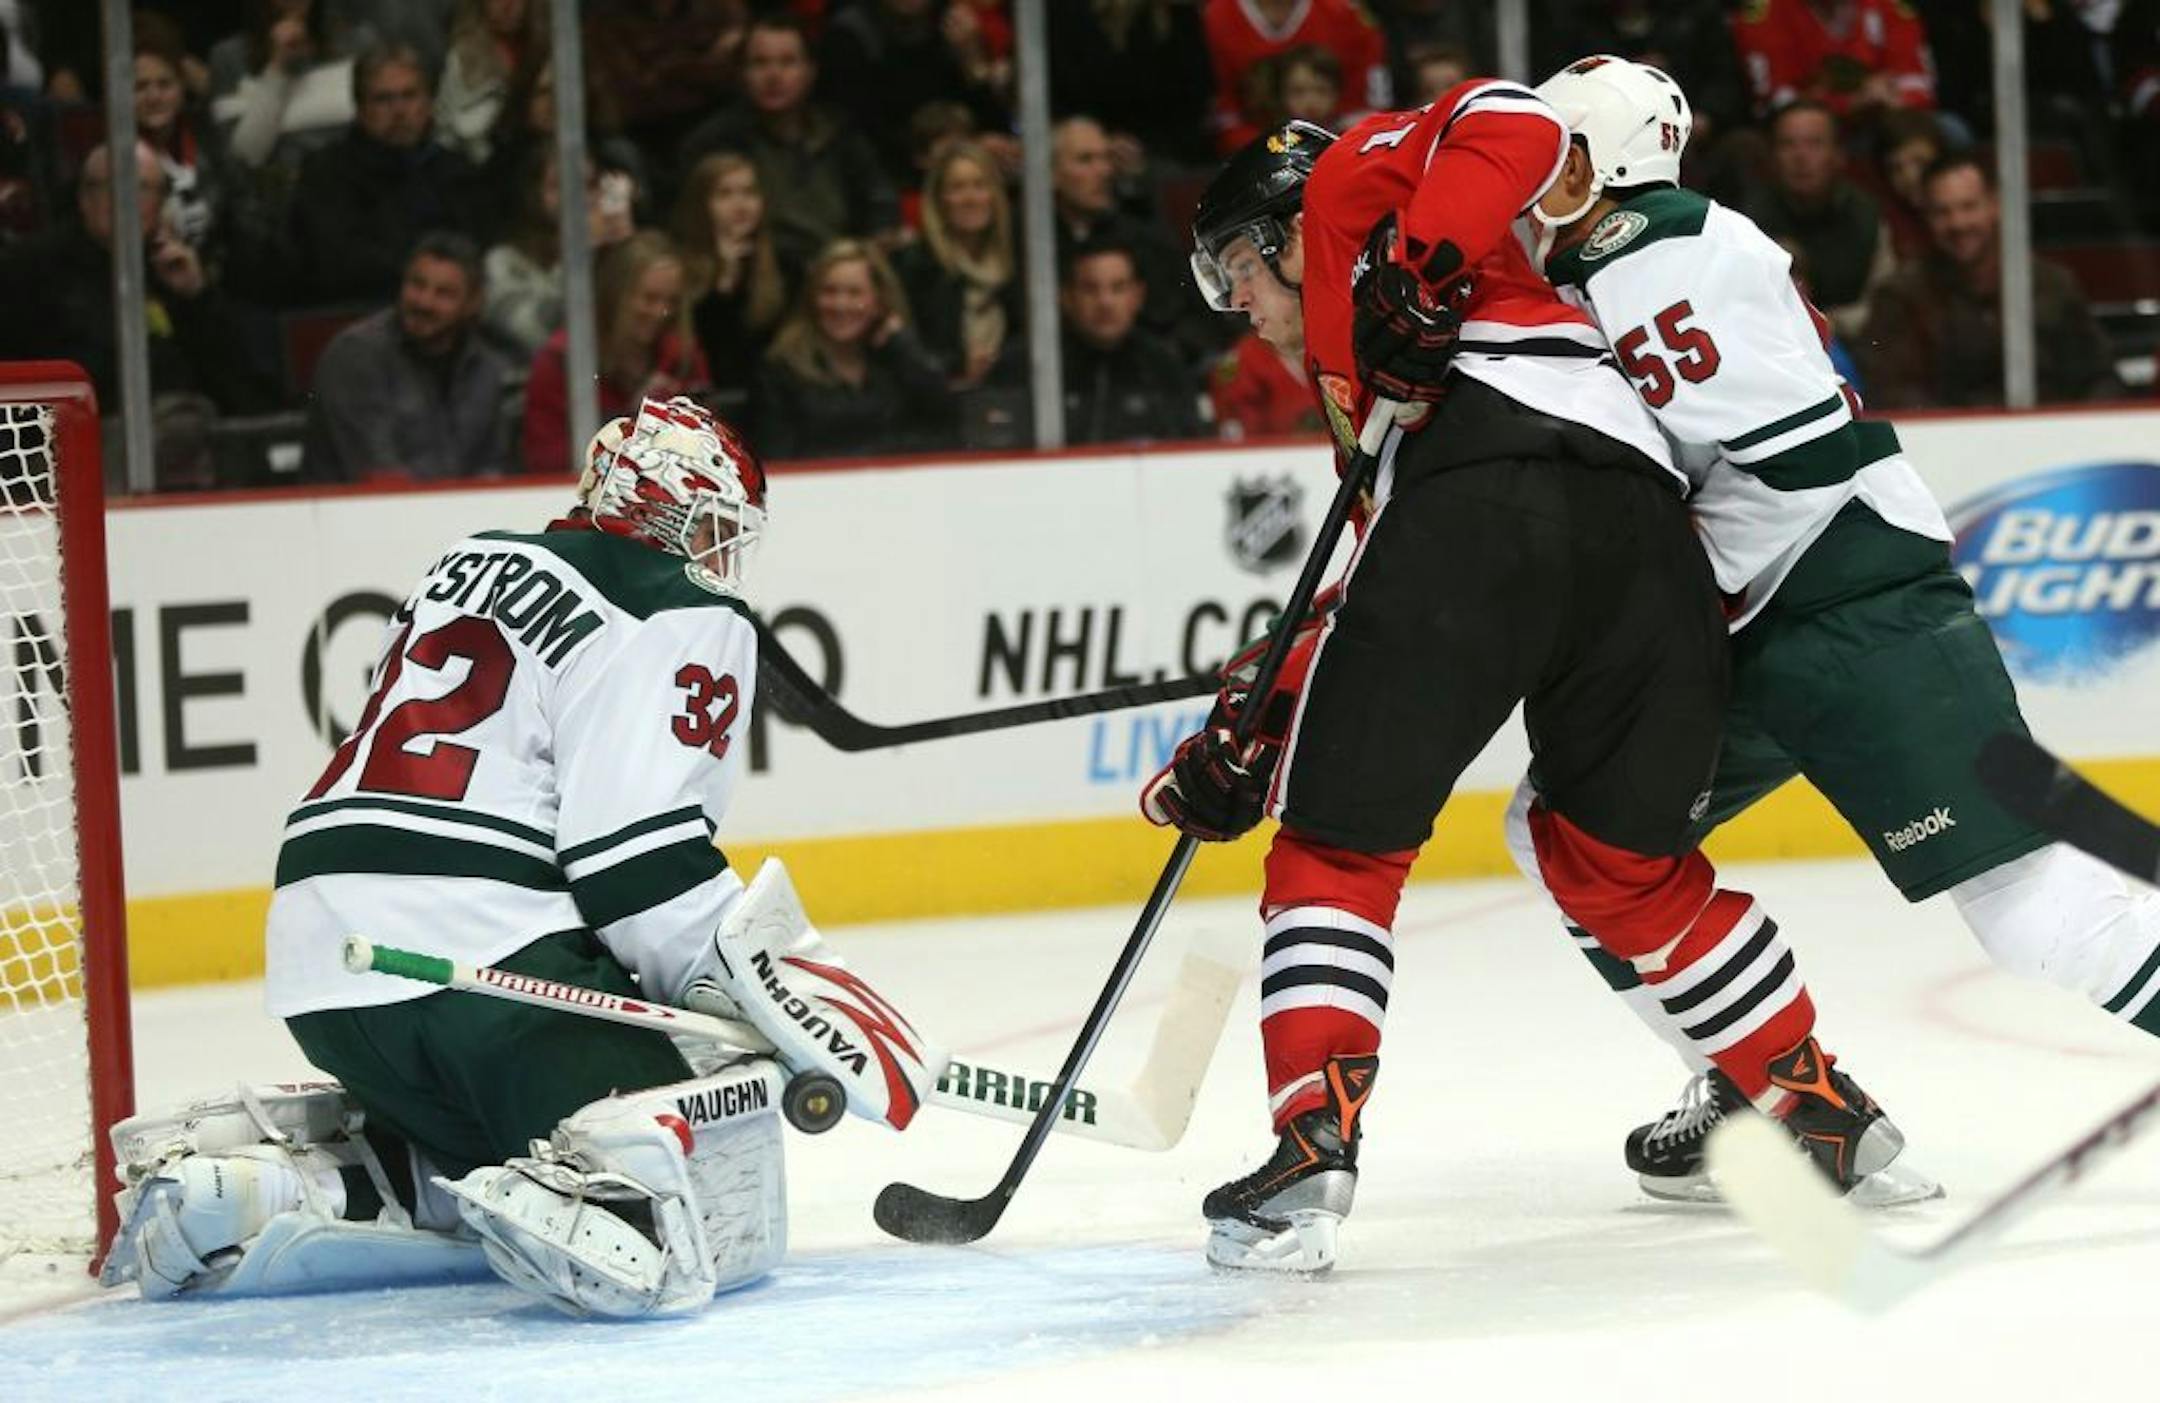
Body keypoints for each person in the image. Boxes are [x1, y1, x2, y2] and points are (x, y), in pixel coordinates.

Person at [1152, 100, 1915, 1274]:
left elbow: (1518, 125)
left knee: (1339, 850)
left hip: (1489, 509)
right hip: (1644, 551)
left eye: (1234, 275)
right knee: (1620, 869)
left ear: (1279, 228)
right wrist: (1252, 720)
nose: (1238, 308)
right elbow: (1369, 579)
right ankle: (1827, 1113)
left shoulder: (1349, 182)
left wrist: (1417, 267)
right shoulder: (1359, 384)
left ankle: (1309, 1154)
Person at [97, 397, 945, 1317]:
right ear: (663, 512)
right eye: (709, 527)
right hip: (489, 969)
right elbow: (638, 864)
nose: (720, 556)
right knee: (699, 1179)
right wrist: (787, 999)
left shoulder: (465, 560)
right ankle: (586, 1192)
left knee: (494, 1150)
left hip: (323, 972)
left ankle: (282, 1185)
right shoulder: (671, 602)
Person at [1525, 55, 2160, 1198]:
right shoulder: (1589, 264)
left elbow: (1797, 453)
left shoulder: (1669, 247)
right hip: (1744, 623)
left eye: (1562, 156)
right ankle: (1751, 1082)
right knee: (1571, 832)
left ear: (1619, 161)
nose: (1535, 184)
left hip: (1849, 596)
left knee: (2037, 910)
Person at [0, 141, 266, 487]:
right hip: (75, 449)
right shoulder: (33, 270)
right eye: (111, 187)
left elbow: (240, 385)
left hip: (191, 441)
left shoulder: (171, 267)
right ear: (84, 198)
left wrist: (196, 297)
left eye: (140, 188)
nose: (125, 201)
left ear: (161, 202)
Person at [1862, 152, 2124, 408]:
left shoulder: (2052, 284)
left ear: (1994, 205)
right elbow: (1893, 392)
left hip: (2056, 440)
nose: (1958, 223)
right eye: (1942, 212)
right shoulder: (1901, 295)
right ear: (1926, 216)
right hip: (1949, 443)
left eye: (1969, 206)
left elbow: (2099, 377)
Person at [673, 14, 900, 272]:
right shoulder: (714, 143)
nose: (774, 75)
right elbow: (688, 225)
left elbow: (881, 205)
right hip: (753, 277)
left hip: (834, 279)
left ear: (810, 72)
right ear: (742, 74)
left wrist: (867, 253)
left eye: (788, 62)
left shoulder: (840, 134)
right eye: (760, 63)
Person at [304, 232, 514, 481]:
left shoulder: (486, 368)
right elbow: (378, 474)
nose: (424, 302)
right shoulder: (355, 355)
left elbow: (494, 468)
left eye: (443, 293)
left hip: (457, 513)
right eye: (417, 285)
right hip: (360, 514)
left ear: (473, 303)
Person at [290, 40, 487, 301]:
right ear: (361, 110)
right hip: (359, 311)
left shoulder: (456, 171)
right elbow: (337, 265)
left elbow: (477, 254)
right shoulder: (327, 173)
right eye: (383, 99)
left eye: (409, 96)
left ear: (428, 103)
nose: (399, 111)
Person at [523, 230, 710, 476]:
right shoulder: (562, 362)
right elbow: (546, 460)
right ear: (616, 295)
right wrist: (636, 424)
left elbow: (708, 452)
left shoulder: (684, 358)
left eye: (672, 301)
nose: (661, 312)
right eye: (649, 298)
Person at [753, 238, 956, 459]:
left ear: (879, 300)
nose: (841, 305)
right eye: (829, 291)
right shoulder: (782, 368)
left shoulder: (898, 358)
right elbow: (775, 459)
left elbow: (946, 423)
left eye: (854, 293)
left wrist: (903, 347)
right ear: (811, 298)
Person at [1744, 101, 1894, 339]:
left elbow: (1886, 304)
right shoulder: (1748, 223)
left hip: (1854, 343)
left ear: (1839, 155)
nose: (1800, 156)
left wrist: (1830, 324)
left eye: (1814, 144)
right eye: (1787, 144)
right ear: (1773, 157)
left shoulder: (1867, 216)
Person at [482, 145, 633, 360]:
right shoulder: (502, 262)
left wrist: (627, 251)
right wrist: (581, 251)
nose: (577, 198)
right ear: (534, 193)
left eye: (588, 185)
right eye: (560, 185)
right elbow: (536, 337)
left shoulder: (610, 253)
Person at [890, 140, 1020, 388]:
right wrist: (959, 365)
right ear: (939, 199)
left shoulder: (1017, 259)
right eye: (957, 188)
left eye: (980, 186)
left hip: (1009, 394)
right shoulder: (915, 265)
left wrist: (1001, 363)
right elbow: (907, 353)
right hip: (940, 399)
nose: (970, 198)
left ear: (994, 195)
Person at [675, 151, 792, 409]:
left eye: (750, 193)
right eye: (725, 194)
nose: (741, 205)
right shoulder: (676, 267)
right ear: (701, 204)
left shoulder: (786, 262)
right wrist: (724, 280)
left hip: (770, 401)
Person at [1056, 237, 1202, 444]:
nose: (1105, 302)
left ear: (1138, 295)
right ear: (1066, 296)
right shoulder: (1028, 365)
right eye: (1090, 288)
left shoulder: (1165, 368)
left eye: (1118, 287)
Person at [1201, 0, 1388, 153]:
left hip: (1341, 147)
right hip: (1243, 156)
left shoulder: (1345, 14)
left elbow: (1368, 108)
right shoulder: (1216, 17)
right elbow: (1221, 110)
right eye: (1298, 92)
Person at [210, 0, 373, 175]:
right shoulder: (230, 57)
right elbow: (245, 158)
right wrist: (278, 69)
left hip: (359, 181)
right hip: (279, 189)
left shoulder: (359, 42)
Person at [1729, 0, 1936, 121]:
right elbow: (1775, 101)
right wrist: (1849, 103)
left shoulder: (1887, 5)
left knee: (1940, 129)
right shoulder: (1766, 13)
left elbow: (1918, 82)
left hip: (1882, 117)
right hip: (1804, 127)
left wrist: (1892, 98)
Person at [434, 0, 547, 164]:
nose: (507, 5)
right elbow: (447, 130)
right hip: (478, 167)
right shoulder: (464, 58)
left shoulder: (548, 55)